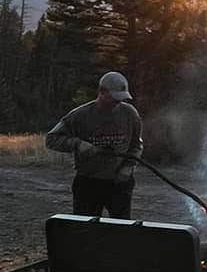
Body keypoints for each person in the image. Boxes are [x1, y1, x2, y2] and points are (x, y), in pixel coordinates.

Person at [46, 71, 144, 218]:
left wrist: (128, 167)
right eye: (114, 97)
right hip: (88, 183)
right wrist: (77, 144)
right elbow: (51, 139)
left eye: (121, 98)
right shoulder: (80, 115)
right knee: (85, 231)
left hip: (120, 184)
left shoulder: (130, 114)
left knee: (122, 231)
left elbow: (136, 145)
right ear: (102, 92)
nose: (118, 102)